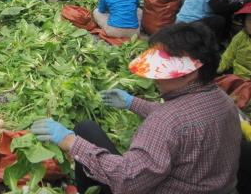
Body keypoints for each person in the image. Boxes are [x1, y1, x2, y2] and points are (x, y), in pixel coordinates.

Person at [30, 21, 241, 194]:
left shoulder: (165, 123)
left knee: (82, 135)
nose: (154, 77)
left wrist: (71, 143)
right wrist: (132, 102)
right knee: (87, 127)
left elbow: (128, 180)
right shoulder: (222, 101)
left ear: (190, 73)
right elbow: (185, 120)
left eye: (162, 68)